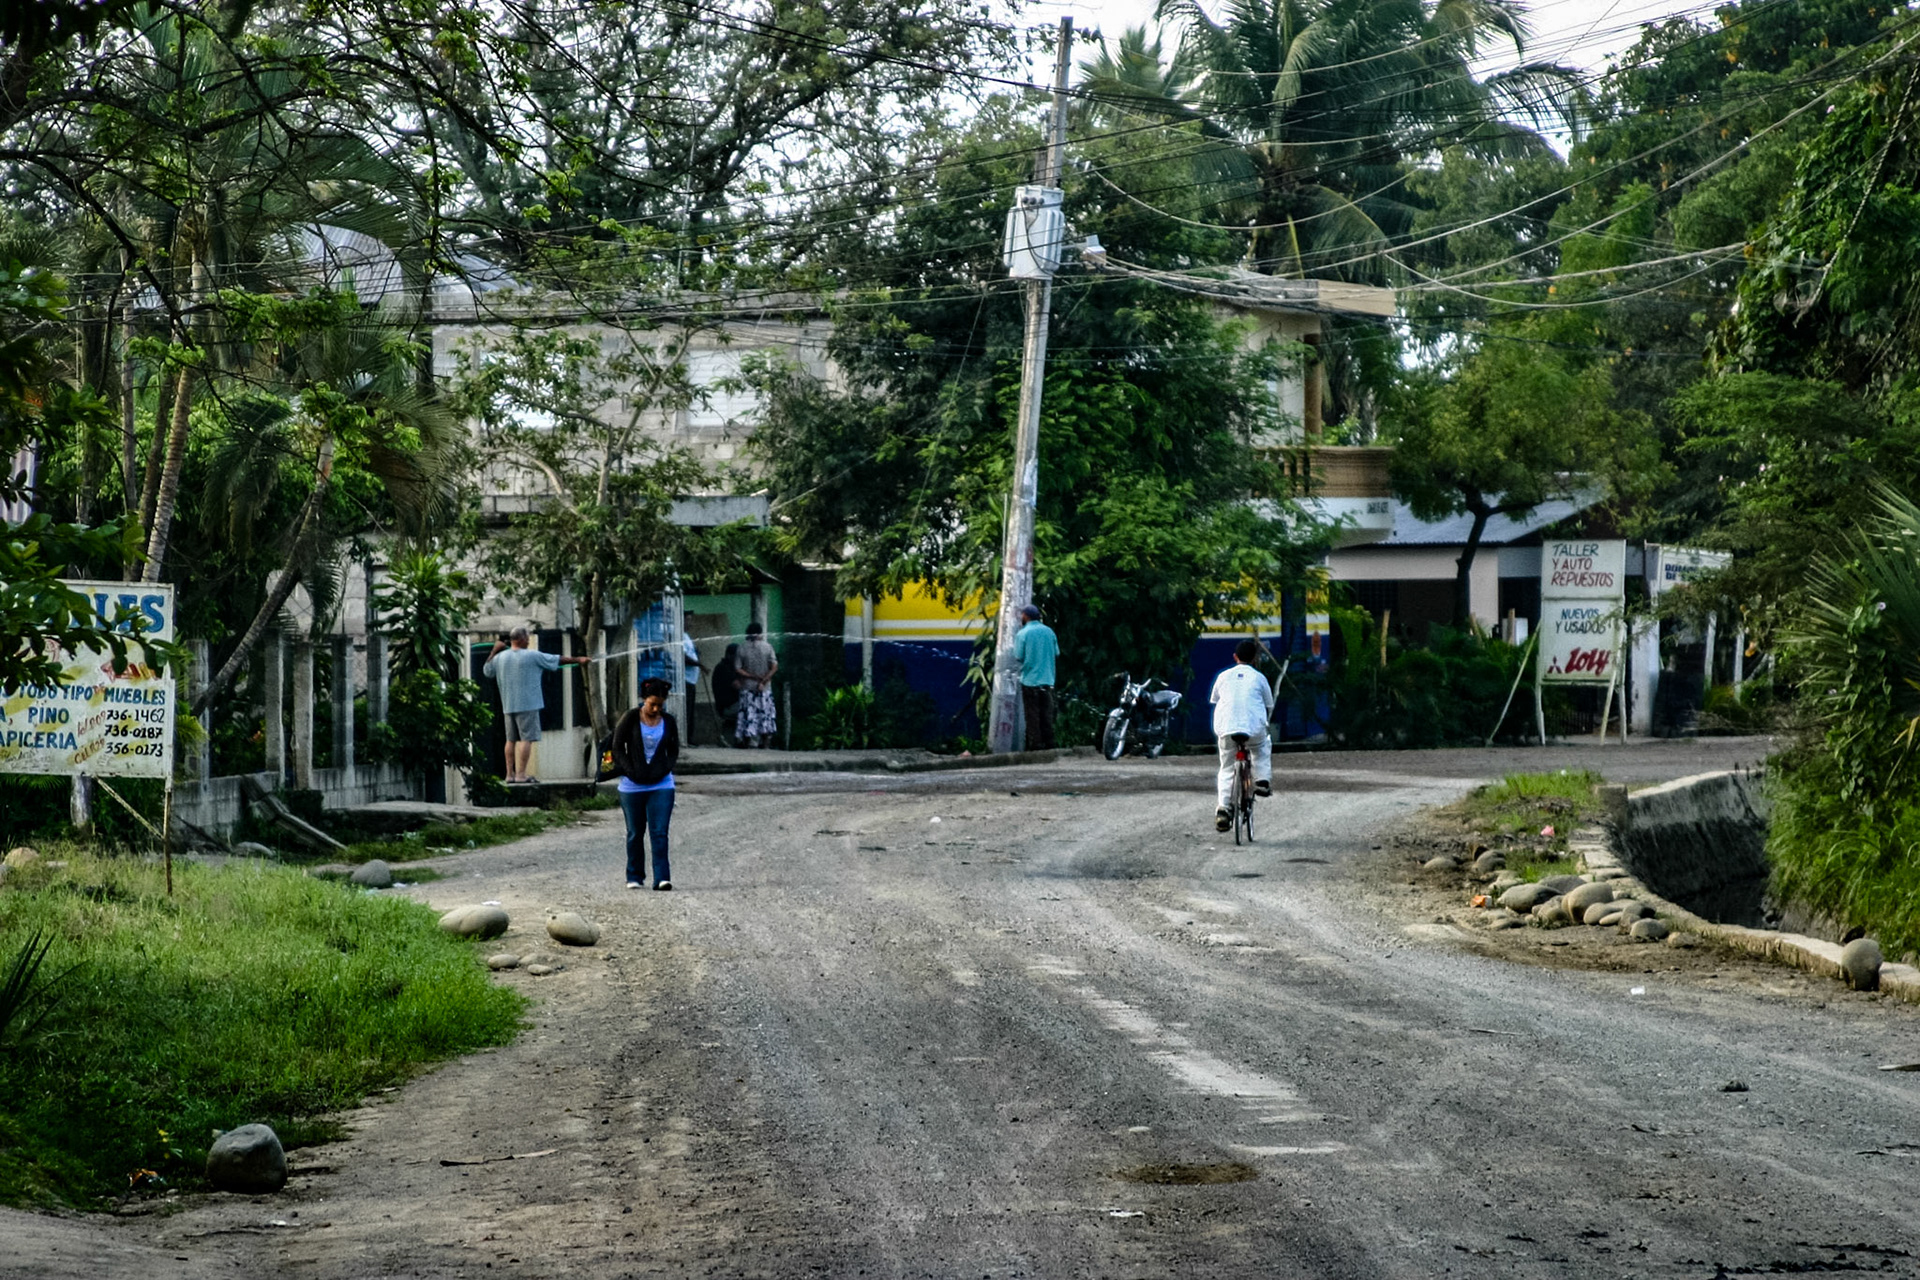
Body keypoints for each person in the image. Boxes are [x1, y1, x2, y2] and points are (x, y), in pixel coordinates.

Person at [482, 626, 588, 784]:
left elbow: (487, 671)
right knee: (526, 739)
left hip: (508, 704)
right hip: (528, 704)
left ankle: (509, 775)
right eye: (527, 637)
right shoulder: (532, 655)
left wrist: (494, 651)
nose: (529, 640)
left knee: (510, 740)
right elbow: (557, 659)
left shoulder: (500, 657)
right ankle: (521, 775)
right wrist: (578, 659)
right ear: (522, 639)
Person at [611, 676, 680, 890]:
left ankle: (662, 877)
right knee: (635, 832)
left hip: (661, 785)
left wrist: (663, 769)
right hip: (632, 786)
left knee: (659, 832)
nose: (656, 709)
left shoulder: (668, 721)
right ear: (644, 700)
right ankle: (634, 876)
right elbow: (617, 747)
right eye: (652, 704)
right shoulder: (630, 718)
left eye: (660, 705)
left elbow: (674, 750)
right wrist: (630, 771)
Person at [1210, 637, 1276, 831]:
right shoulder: (1259, 677)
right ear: (1255, 658)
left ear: (1235, 656)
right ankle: (1262, 780)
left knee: (1227, 767)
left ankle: (1223, 809)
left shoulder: (1223, 676)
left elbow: (1215, 699)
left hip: (1226, 729)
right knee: (1262, 747)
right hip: (1253, 730)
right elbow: (1269, 704)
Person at [1013, 603, 1058, 750]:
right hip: (1048, 680)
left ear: (1026, 616)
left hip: (1030, 681)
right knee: (1047, 715)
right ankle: (1050, 744)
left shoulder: (1022, 634)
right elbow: (1056, 653)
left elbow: (1018, 656)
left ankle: (1036, 745)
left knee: (1032, 715)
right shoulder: (1049, 632)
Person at [734, 622, 779, 748]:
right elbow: (774, 667)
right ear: (760, 632)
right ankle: (765, 743)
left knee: (748, 714)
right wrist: (764, 680)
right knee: (765, 715)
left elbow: (738, 669)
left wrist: (752, 677)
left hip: (747, 687)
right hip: (764, 688)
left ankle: (747, 742)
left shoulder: (741, 648)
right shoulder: (768, 647)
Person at [711, 642, 741, 744]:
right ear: (729, 655)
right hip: (728, 707)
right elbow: (737, 686)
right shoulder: (723, 668)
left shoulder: (726, 667)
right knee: (751, 709)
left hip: (730, 705)